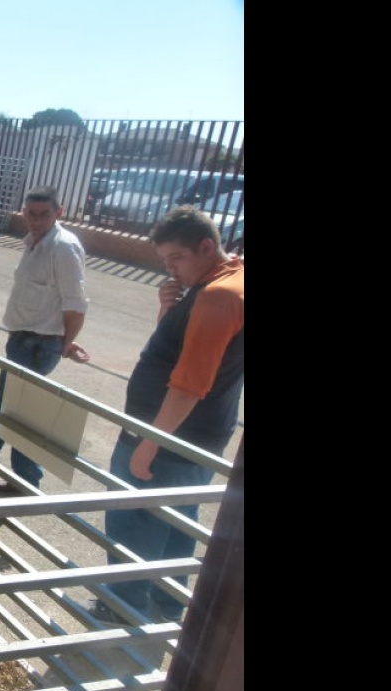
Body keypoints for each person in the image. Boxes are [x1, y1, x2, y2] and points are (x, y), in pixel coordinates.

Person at [92, 205, 244, 625]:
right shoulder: (227, 280)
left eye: (176, 259)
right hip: (199, 438)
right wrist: (170, 309)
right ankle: (169, 601)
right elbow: (183, 350)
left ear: (206, 246)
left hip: (169, 436)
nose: (171, 269)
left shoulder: (217, 296)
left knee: (134, 522)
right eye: (165, 262)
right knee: (178, 521)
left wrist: (149, 444)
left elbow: (189, 383)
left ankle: (125, 607)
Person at [0, 186, 91, 495]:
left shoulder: (63, 248)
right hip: (23, 340)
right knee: (19, 416)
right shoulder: (33, 243)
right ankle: (23, 482)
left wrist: (64, 344)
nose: (36, 220)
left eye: (44, 214)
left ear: (59, 213)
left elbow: (76, 305)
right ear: (23, 212)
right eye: (31, 213)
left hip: (39, 345)